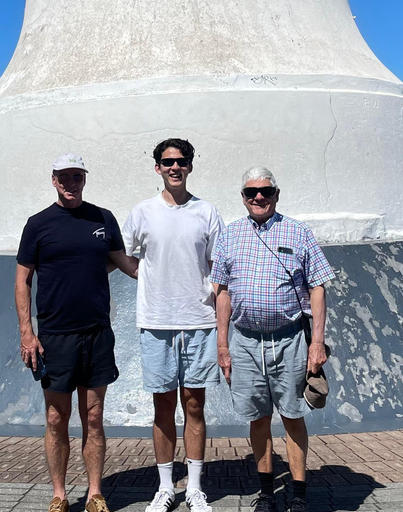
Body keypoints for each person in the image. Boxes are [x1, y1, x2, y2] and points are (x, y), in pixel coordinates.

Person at [15, 153, 137, 512]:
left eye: (77, 177)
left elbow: (126, 264)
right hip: (54, 335)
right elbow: (22, 279)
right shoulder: (38, 225)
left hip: (97, 331)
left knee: (94, 417)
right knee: (56, 418)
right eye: (64, 177)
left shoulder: (103, 219)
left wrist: (170, 268)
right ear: (53, 180)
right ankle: (59, 494)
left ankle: (96, 493)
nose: (71, 183)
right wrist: (27, 331)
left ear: (85, 179)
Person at [210, 168, 335, 512]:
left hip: (290, 339)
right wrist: (223, 345)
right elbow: (221, 293)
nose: (259, 198)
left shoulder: (298, 232)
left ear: (276, 194)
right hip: (246, 342)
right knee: (258, 418)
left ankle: (297, 493)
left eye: (265, 191)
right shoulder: (230, 234)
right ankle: (266, 493)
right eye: (251, 193)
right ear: (243, 197)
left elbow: (318, 288)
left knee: (294, 415)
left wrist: (317, 342)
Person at [122, 139, 224, 512]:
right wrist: (149, 280)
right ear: (157, 168)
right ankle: (166, 488)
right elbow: (125, 254)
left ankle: (195, 489)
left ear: (190, 166)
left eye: (181, 161)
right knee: (162, 407)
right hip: (156, 322)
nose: (174, 167)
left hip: (199, 321)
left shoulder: (207, 212)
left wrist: (206, 294)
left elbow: (220, 264)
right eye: (167, 162)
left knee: (194, 405)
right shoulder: (142, 212)